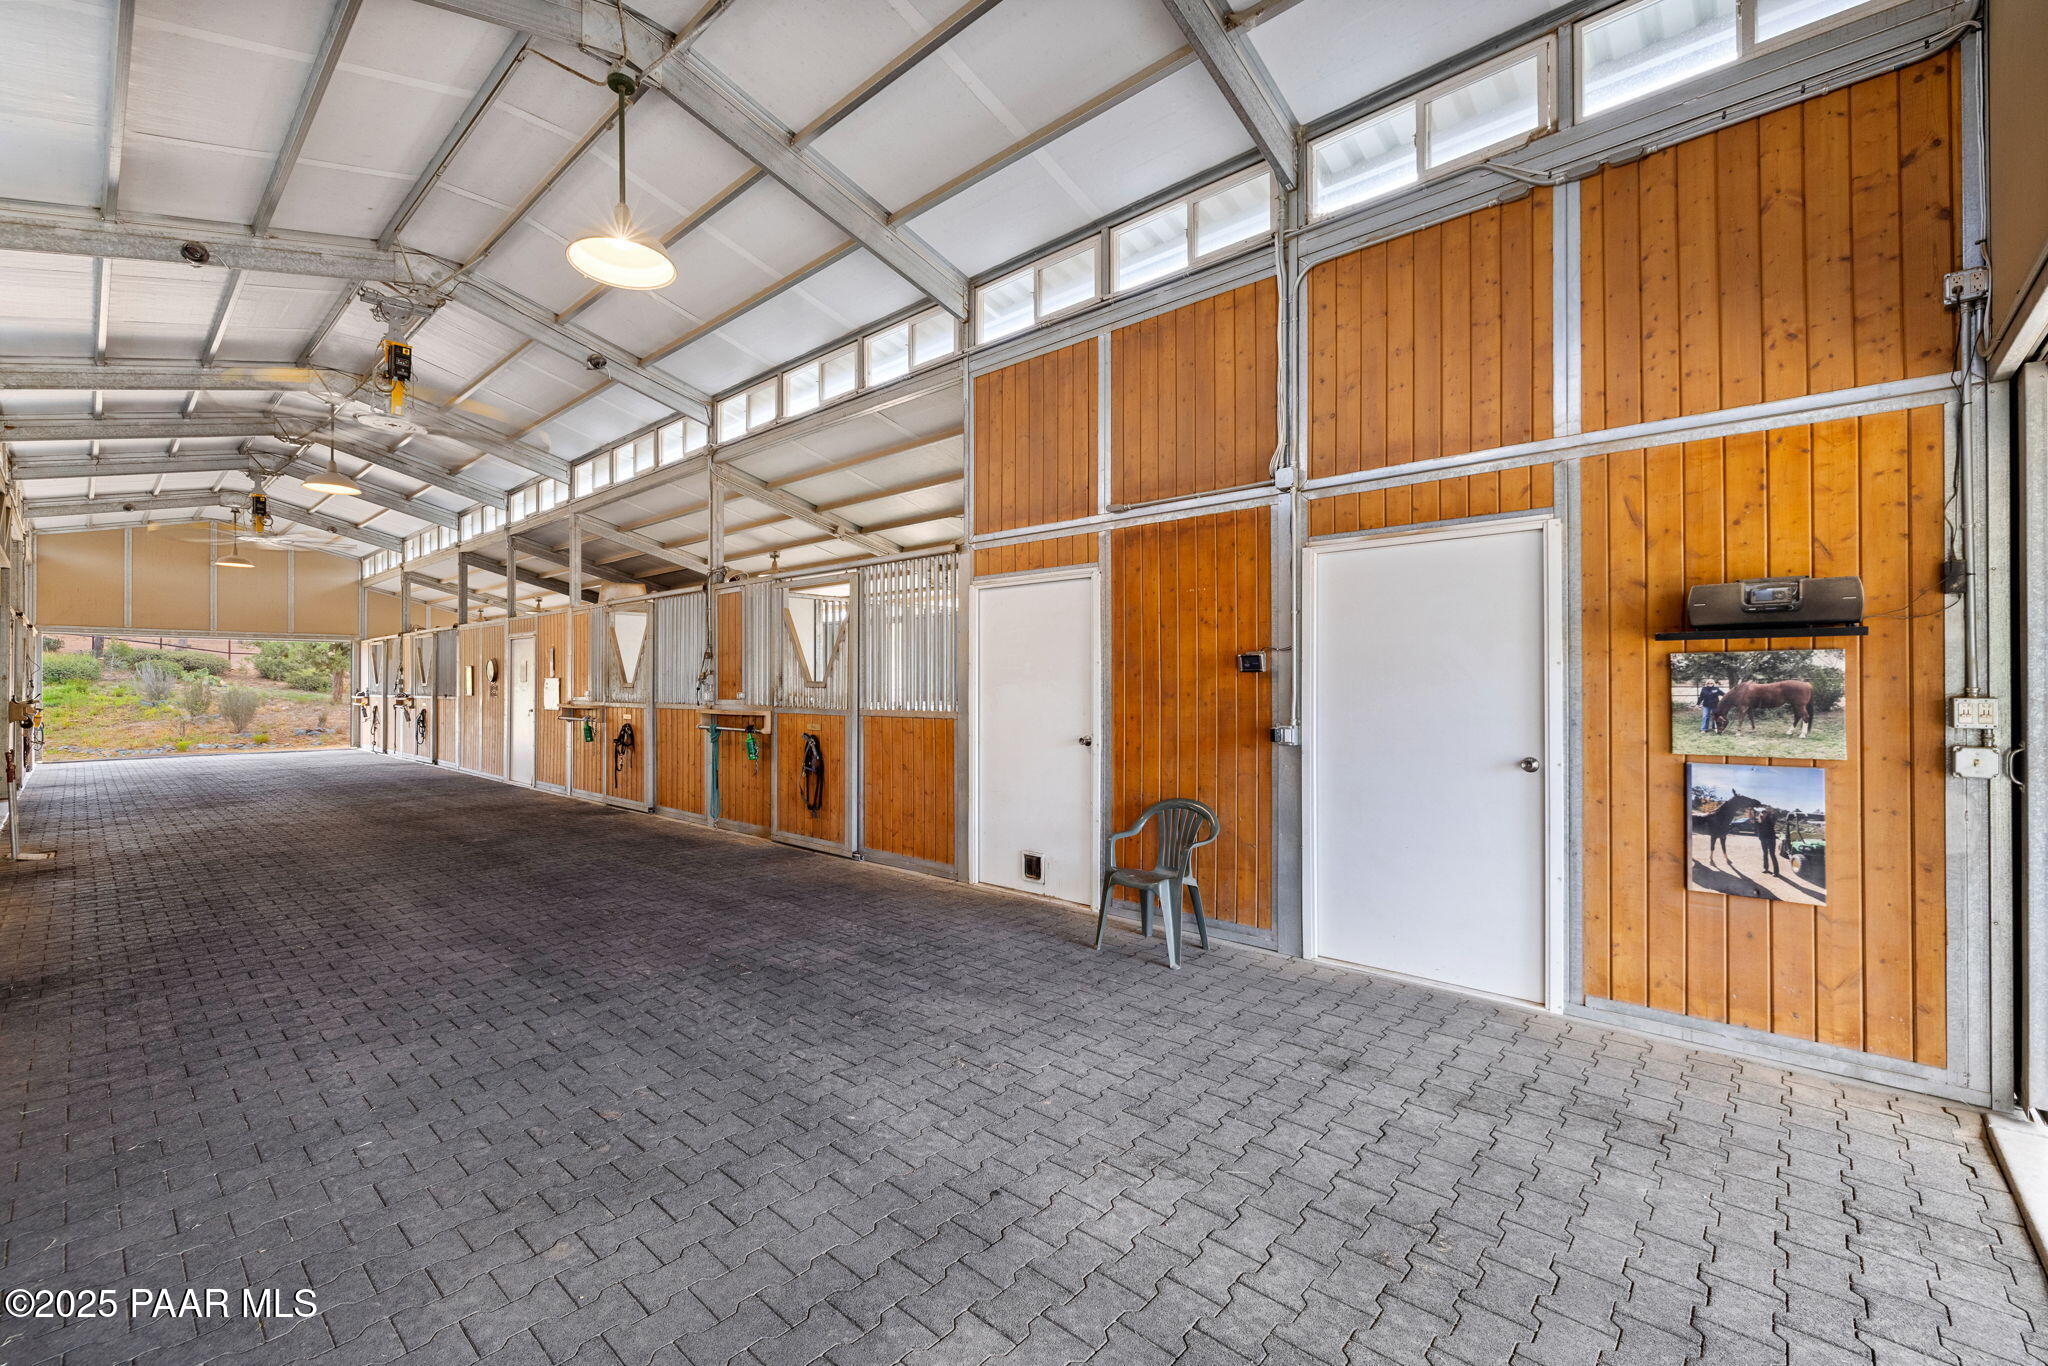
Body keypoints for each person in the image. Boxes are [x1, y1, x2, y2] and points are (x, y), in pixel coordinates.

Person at [1755, 806, 1781, 876]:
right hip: (1763, 839)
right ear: (1760, 814)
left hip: (1771, 839)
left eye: (1765, 812)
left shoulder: (1770, 820)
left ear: (1767, 813)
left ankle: (1776, 872)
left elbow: (1774, 817)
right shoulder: (1759, 821)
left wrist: (1771, 811)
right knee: (1765, 853)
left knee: (1772, 854)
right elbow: (1752, 821)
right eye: (1763, 812)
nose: (1764, 814)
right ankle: (1765, 868)